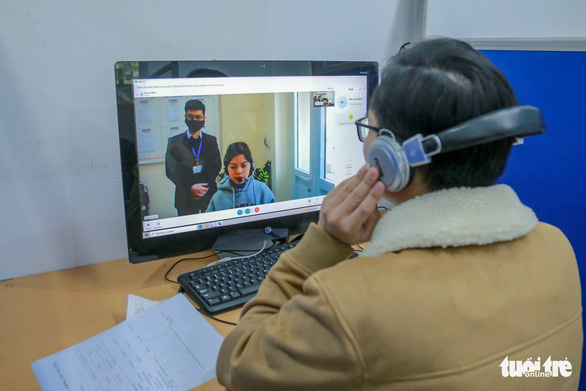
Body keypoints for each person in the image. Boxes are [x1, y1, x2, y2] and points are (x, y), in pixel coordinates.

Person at [215, 38, 582, 390]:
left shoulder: (351, 301)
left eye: (369, 128)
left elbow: (238, 363)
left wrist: (325, 242)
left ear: (390, 158)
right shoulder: (556, 248)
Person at [165, 99, 221, 215]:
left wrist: (202, 188)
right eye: (190, 117)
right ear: (185, 117)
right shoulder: (174, 142)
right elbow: (171, 170)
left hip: (208, 194)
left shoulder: (211, 140)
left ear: (204, 118)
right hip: (184, 196)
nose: (194, 120)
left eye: (198, 117)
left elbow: (216, 166)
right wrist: (190, 188)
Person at [206, 142, 276, 212]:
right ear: (227, 169)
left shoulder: (262, 190)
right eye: (233, 167)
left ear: (251, 166)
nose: (239, 171)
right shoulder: (218, 197)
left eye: (243, 166)